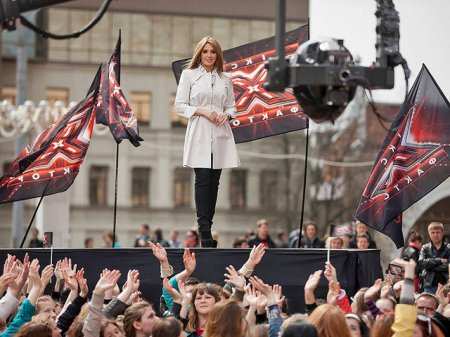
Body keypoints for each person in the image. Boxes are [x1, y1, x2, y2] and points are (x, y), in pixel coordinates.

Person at [175, 36, 239, 248]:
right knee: (202, 180)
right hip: (200, 131)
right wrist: (202, 111)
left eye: (213, 52)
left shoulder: (225, 78)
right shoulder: (189, 75)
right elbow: (180, 106)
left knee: (214, 183)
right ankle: (204, 231)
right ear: (199, 54)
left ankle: (208, 227)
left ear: (217, 55)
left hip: (220, 133)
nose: (209, 55)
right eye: (205, 51)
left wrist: (226, 116)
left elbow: (232, 107)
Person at [418, 222, 450, 293]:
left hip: (446, 286)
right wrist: (439, 261)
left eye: (438, 232)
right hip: (429, 285)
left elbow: (448, 266)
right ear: (429, 233)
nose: (435, 235)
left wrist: (430, 266)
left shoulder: (448, 248)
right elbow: (421, 264)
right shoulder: (425, 248)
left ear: (442, 233)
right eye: (433, 232)